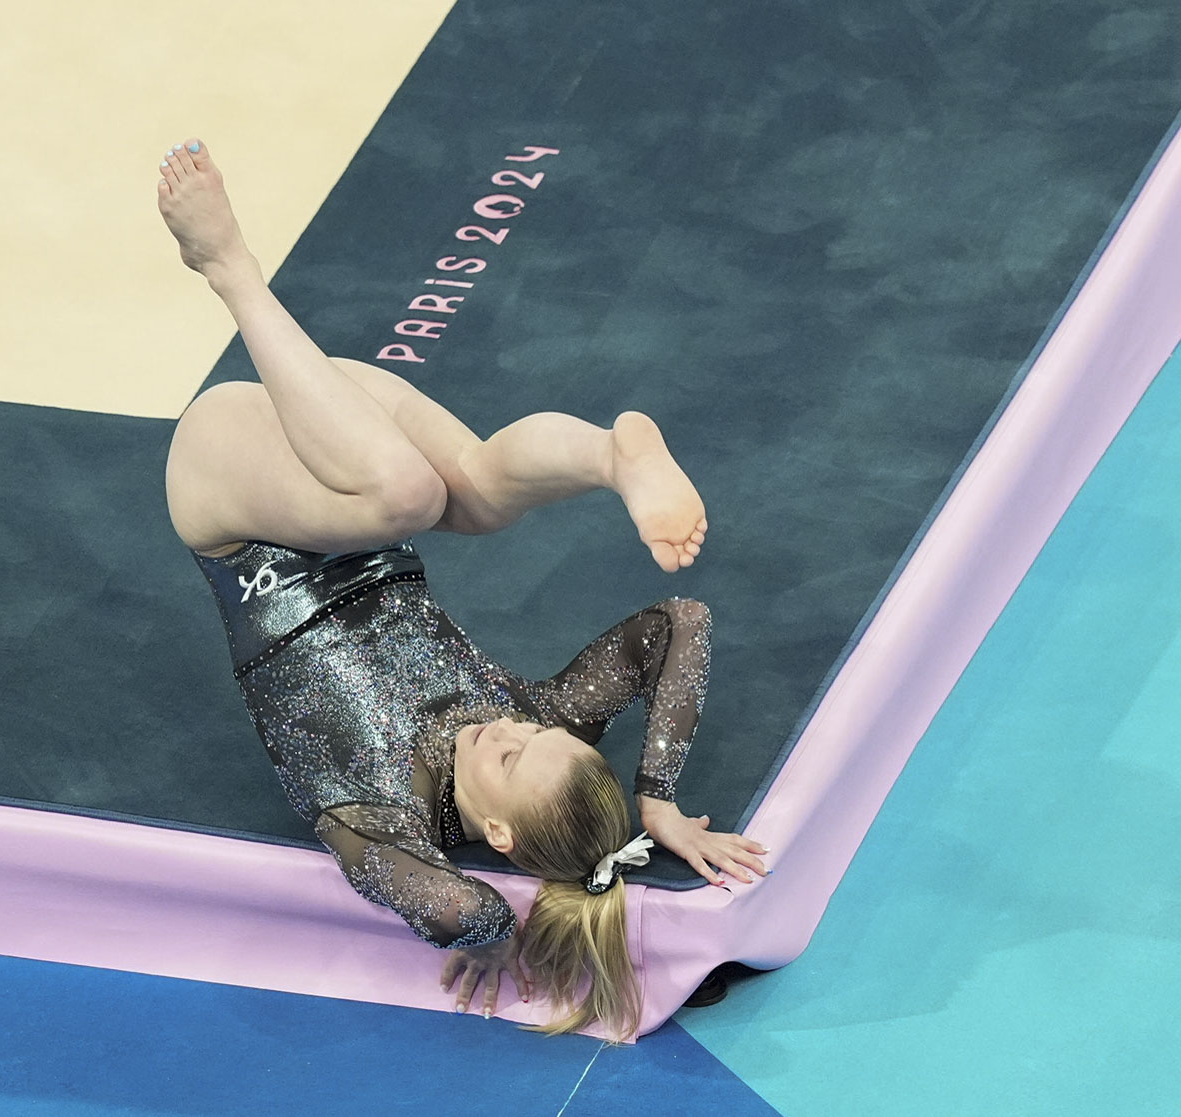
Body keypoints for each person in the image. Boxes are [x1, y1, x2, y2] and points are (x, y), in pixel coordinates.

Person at [156, 138, 767, 1041]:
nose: (511, 727)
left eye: (513, 756)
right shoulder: (531, 719)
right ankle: (608, 453)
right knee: (469, 488)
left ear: (499, 836)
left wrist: (512, 932)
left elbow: (457, 912)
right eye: (535, 731)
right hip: (340, 455)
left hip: (239, 503)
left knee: (412, 494)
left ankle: (226, 266)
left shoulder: (381, 818)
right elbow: (677, 622)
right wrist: (656, 799)